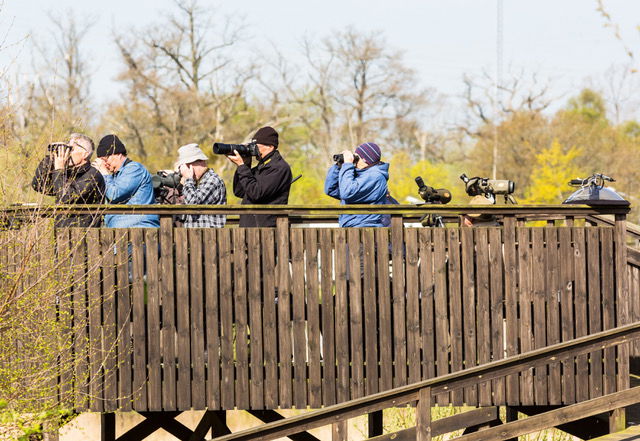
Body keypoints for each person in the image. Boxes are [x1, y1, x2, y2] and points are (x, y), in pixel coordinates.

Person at [31, 133, 105, 227]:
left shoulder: (93, 175)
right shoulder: (66, 174)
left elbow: (66, 198)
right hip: (61, 234)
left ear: (85, 154)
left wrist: (59, 170)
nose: (67, 153)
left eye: (71, 149)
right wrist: (50, 159)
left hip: (85, 235)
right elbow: (38, 185)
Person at [227, 126, 292, 227]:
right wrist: (245, 165)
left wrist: (242, 167)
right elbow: (239, 191)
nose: (253, 149)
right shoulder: (261, 167)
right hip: (250, 229)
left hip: (267, 231)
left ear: (270, 147)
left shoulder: (279, 168)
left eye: (256, 146)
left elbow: (256, 193)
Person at [94, 134, 160, 228]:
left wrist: (104, 174)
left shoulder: (134, 169)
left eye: (106, 159)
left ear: (119, 154)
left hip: (140, 232)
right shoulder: (114, 176)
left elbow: (114, 194)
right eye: (101, 161)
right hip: (123, 233)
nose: (104, 164)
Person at [324, 142, 390, 227]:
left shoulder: (376, 176)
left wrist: (348, 165)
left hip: (366, 229)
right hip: (352, 228)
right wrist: (339, 166)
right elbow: (330, 189)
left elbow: (347, 192)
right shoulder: (359, 175)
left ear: (366, 160)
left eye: (357, 158)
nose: (354, 160)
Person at [175, 143, 226, 227]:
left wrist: (188, 179)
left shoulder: (212, 180)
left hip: (210, 237)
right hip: (198, 236)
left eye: (186, 167)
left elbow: (192, 204)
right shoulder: (198, 182)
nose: (184, 172)